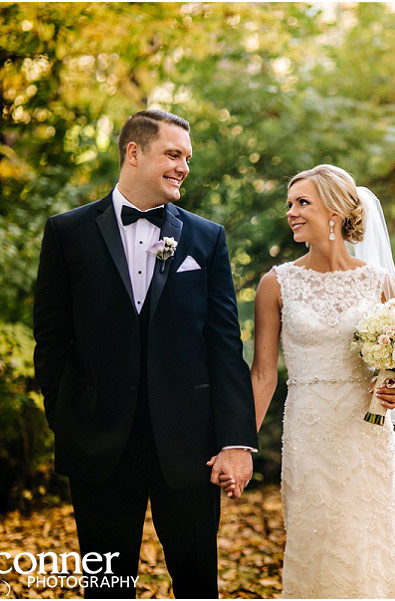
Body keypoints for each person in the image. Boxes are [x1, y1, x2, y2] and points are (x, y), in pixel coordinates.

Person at [33, 109, 257, 598]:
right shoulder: (67, 233)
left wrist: (236, 440)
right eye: (173, 154)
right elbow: (51, 338)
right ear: (133, 153)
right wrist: (65, 415)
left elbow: (224, 345)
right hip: (98, 443)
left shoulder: (206, 237)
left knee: (198, 584)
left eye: (187, 158)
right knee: (107, 586)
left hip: (189, 444)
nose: (184, 167)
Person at [228, 164, 395, 597]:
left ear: (334, 214)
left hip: (366, 435)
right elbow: (264, 375)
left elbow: (394, 366)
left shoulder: (378, 281)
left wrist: (393, 388)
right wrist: (238, 445)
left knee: (373, 544)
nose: (291, 212)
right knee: (318, 545)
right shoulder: (276, 283)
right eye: (290, 203)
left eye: (303, 202)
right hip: (309, 433)